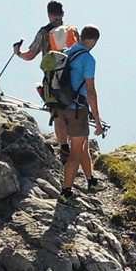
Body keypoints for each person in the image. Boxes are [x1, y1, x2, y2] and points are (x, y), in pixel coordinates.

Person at [13, 0, 78, 162]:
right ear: (63, 13)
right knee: (73, 111)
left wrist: (18, 52)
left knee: (57, 114)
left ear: (48, 14)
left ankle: (64, 150)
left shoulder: (43, 32)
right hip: (73, 77)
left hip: (52, 79)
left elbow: (31, 55)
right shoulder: (73, 30)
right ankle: (76, 145)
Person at [56, 25, 108, 202]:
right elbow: (91, 91)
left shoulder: (67, 52)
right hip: (76, 109)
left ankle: (91, 180)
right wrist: (98, 121)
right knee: (76, 152)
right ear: (93, 40)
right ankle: (66, 193)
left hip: (60, 106)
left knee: (83, 144)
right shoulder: (88, 59)